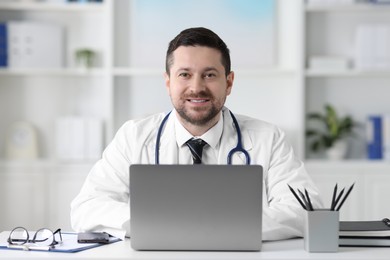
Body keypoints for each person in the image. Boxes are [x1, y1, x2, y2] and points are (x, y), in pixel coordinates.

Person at [70, 27, 323, 241]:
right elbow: (86, 209)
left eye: (210, 75)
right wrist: (157, 223)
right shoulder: (133, 137)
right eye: (184, 75)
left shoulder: (268, 138)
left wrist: (211, 225)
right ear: (168, 81)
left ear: (229, 82)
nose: (197, 87)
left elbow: (306, 209)